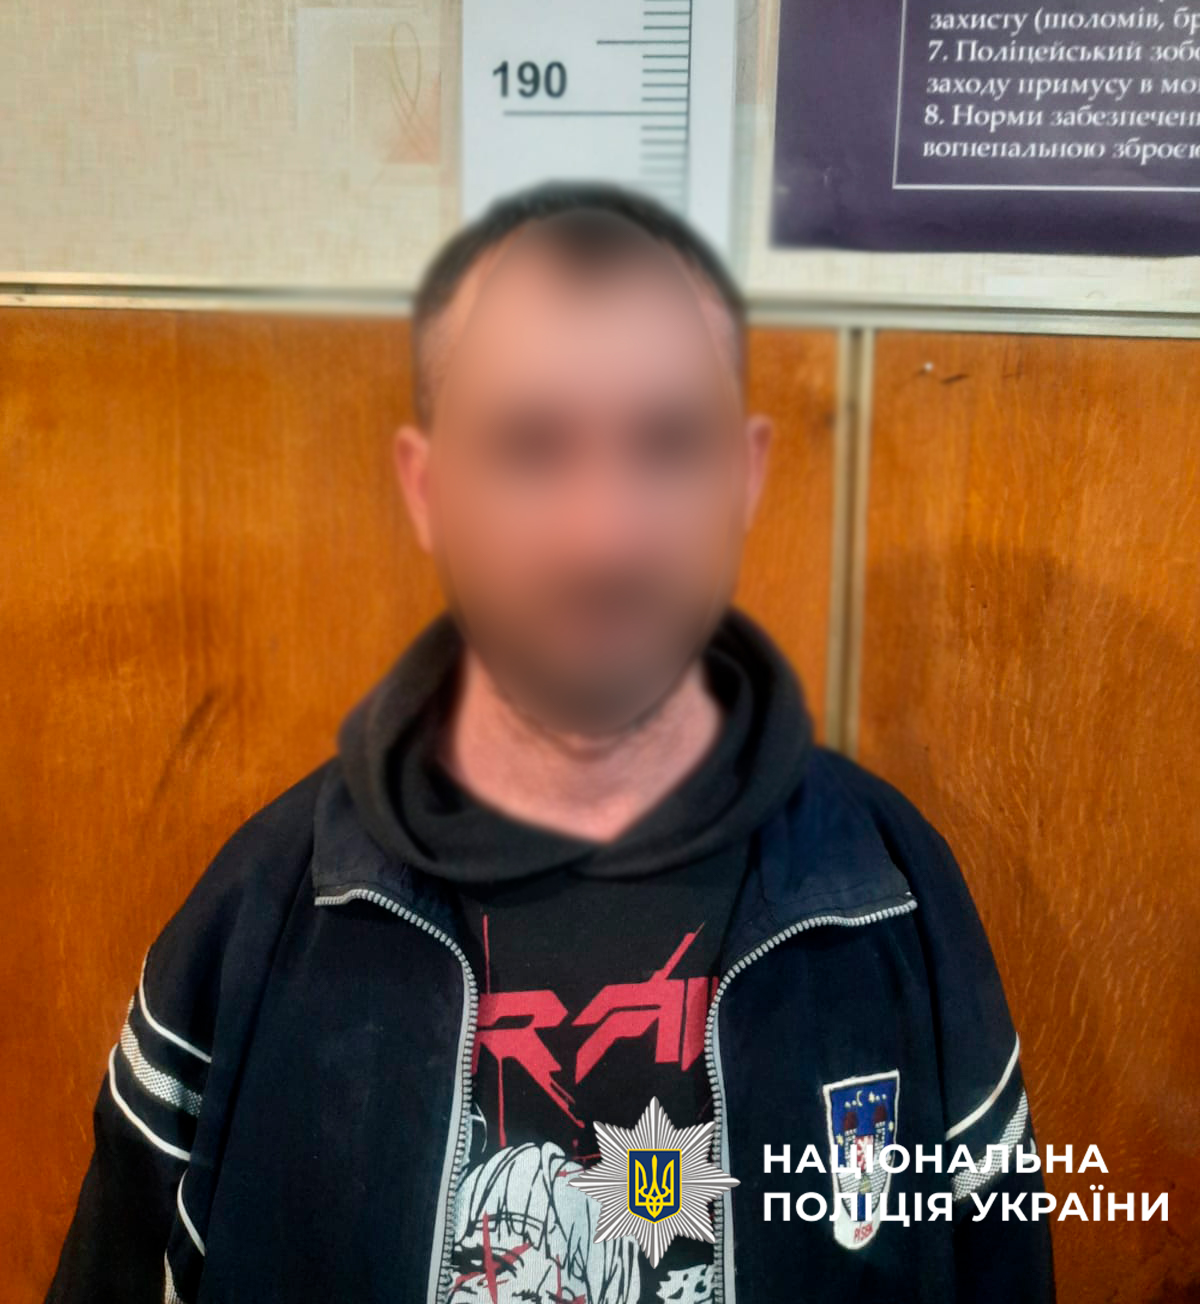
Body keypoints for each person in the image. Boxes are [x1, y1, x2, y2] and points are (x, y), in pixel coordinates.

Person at [45, 181, 1055, 1304]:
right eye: (530, 447)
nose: (602, 537)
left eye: (667, 444)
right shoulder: (270, 907)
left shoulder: (889, 899)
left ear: (744, 477)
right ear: (429, 489)